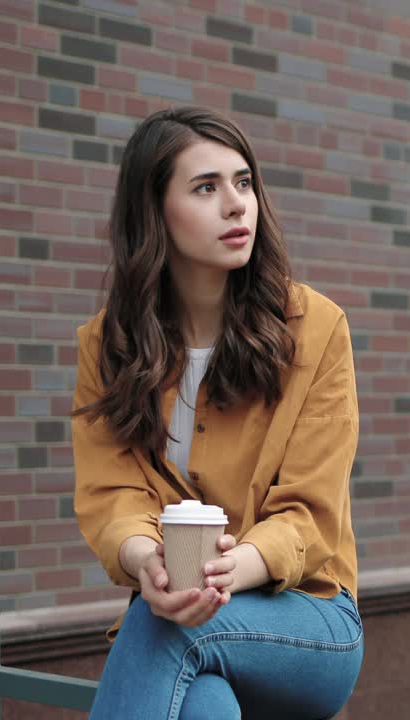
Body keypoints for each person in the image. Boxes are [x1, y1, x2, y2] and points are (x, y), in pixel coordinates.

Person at [72, 107, 363, 720]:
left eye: (243, 182)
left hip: (310, 616)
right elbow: (112, 494)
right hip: (177, 613)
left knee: (159, 631)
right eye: (207, 187)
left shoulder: (316, 330)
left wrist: (228, 573)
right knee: (201, 704)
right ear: (154, 212)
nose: (237, 205)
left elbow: (309, 512)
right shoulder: (107, 345)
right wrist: (143, 559)